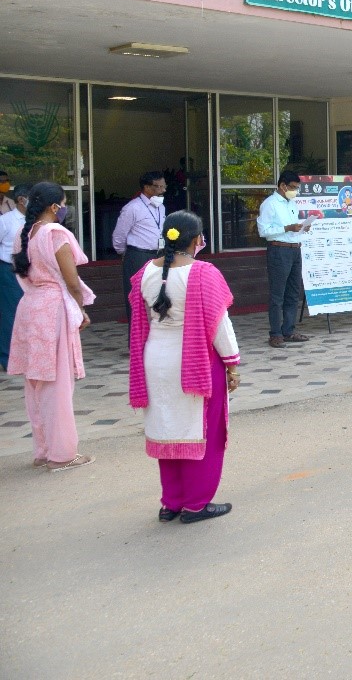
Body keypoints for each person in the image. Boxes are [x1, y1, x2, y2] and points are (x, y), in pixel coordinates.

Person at [128, 211, 240, 524]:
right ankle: (196, 504)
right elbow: (219, 324)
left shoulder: (145, 273)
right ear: (195, 240)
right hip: (194, 360)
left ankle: (171, 502)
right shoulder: (203, 272)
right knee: (202, 430)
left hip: (155, 359)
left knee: (166, 427)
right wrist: (232, 363)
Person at [7, 182, 95, 471]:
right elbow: (71, 281)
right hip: (53, 308)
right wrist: (80, 309)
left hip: (30, 307)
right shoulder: (55, 233)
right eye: (64, 203)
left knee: (36, 382)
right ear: (55, 206)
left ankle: (44, 450)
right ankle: (63, 454)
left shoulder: (25, 235)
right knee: (57, 383)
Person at [256, 170, 309, 348]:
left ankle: (289, 330)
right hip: (279, 250)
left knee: (293, 293)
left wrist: (301, 228)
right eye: (293, 188)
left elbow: (293, 227)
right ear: (282, 186)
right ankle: (275, 333)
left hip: (295, 249)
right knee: (277, 294)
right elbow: (264, 231)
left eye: (297, 188)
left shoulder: (291, 203)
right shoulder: (270, 204)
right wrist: (288, 227)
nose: (295, 191)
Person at [112, 171, 168, 314]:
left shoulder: (161, 207)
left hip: (158, 255)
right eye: (159, 187)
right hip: (138, 255)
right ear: (147, 187)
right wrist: (124, 253)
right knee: (136, 298)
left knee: (157, 294)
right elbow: (119, 235)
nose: (163, 190)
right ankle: (136, 334)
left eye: (164, 186)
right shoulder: (132, 208)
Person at [0, 186, 29, 369]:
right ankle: (8, 358)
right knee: (10, 314)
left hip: (30, 271)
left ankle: (27, 355)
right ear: (20, 199)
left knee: (28, 314)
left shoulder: (35, 219)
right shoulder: (6, 221)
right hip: (9, 271)